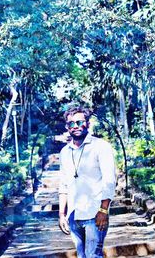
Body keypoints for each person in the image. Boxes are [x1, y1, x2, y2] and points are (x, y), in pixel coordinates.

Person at [58, 106, 116, 258]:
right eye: (71, 124)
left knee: (93, 255)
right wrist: (62, 214)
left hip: (94, 214)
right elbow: (63, 184)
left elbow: (109, 181)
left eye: (79, 122)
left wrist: (103, 210)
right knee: (81, 255)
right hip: (73, 215)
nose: (75, 126)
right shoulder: (65, 152)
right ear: (67, 127)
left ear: (88, 124)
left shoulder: (101, 146)